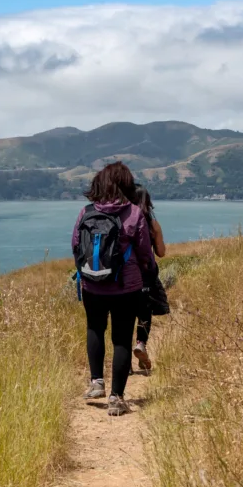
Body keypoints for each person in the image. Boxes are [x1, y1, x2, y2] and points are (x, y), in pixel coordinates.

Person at [71, 162, 155, 416]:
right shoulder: (133, 213)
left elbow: (76, 245)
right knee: (121, 338)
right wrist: (148, 274)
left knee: (94, 328)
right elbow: (144, 253)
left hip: (92, 284)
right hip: (126, 286)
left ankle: (96, 381)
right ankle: (116, 398)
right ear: (126, 185)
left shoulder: (85, 212)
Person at [133, 185, 167, 372]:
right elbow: (161, 252)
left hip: (125, 276)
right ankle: (141, 343)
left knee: (125, 315)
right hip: (146, 276)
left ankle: (123, 359)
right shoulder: (151, 223)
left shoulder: (121, 221)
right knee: (144, 313)